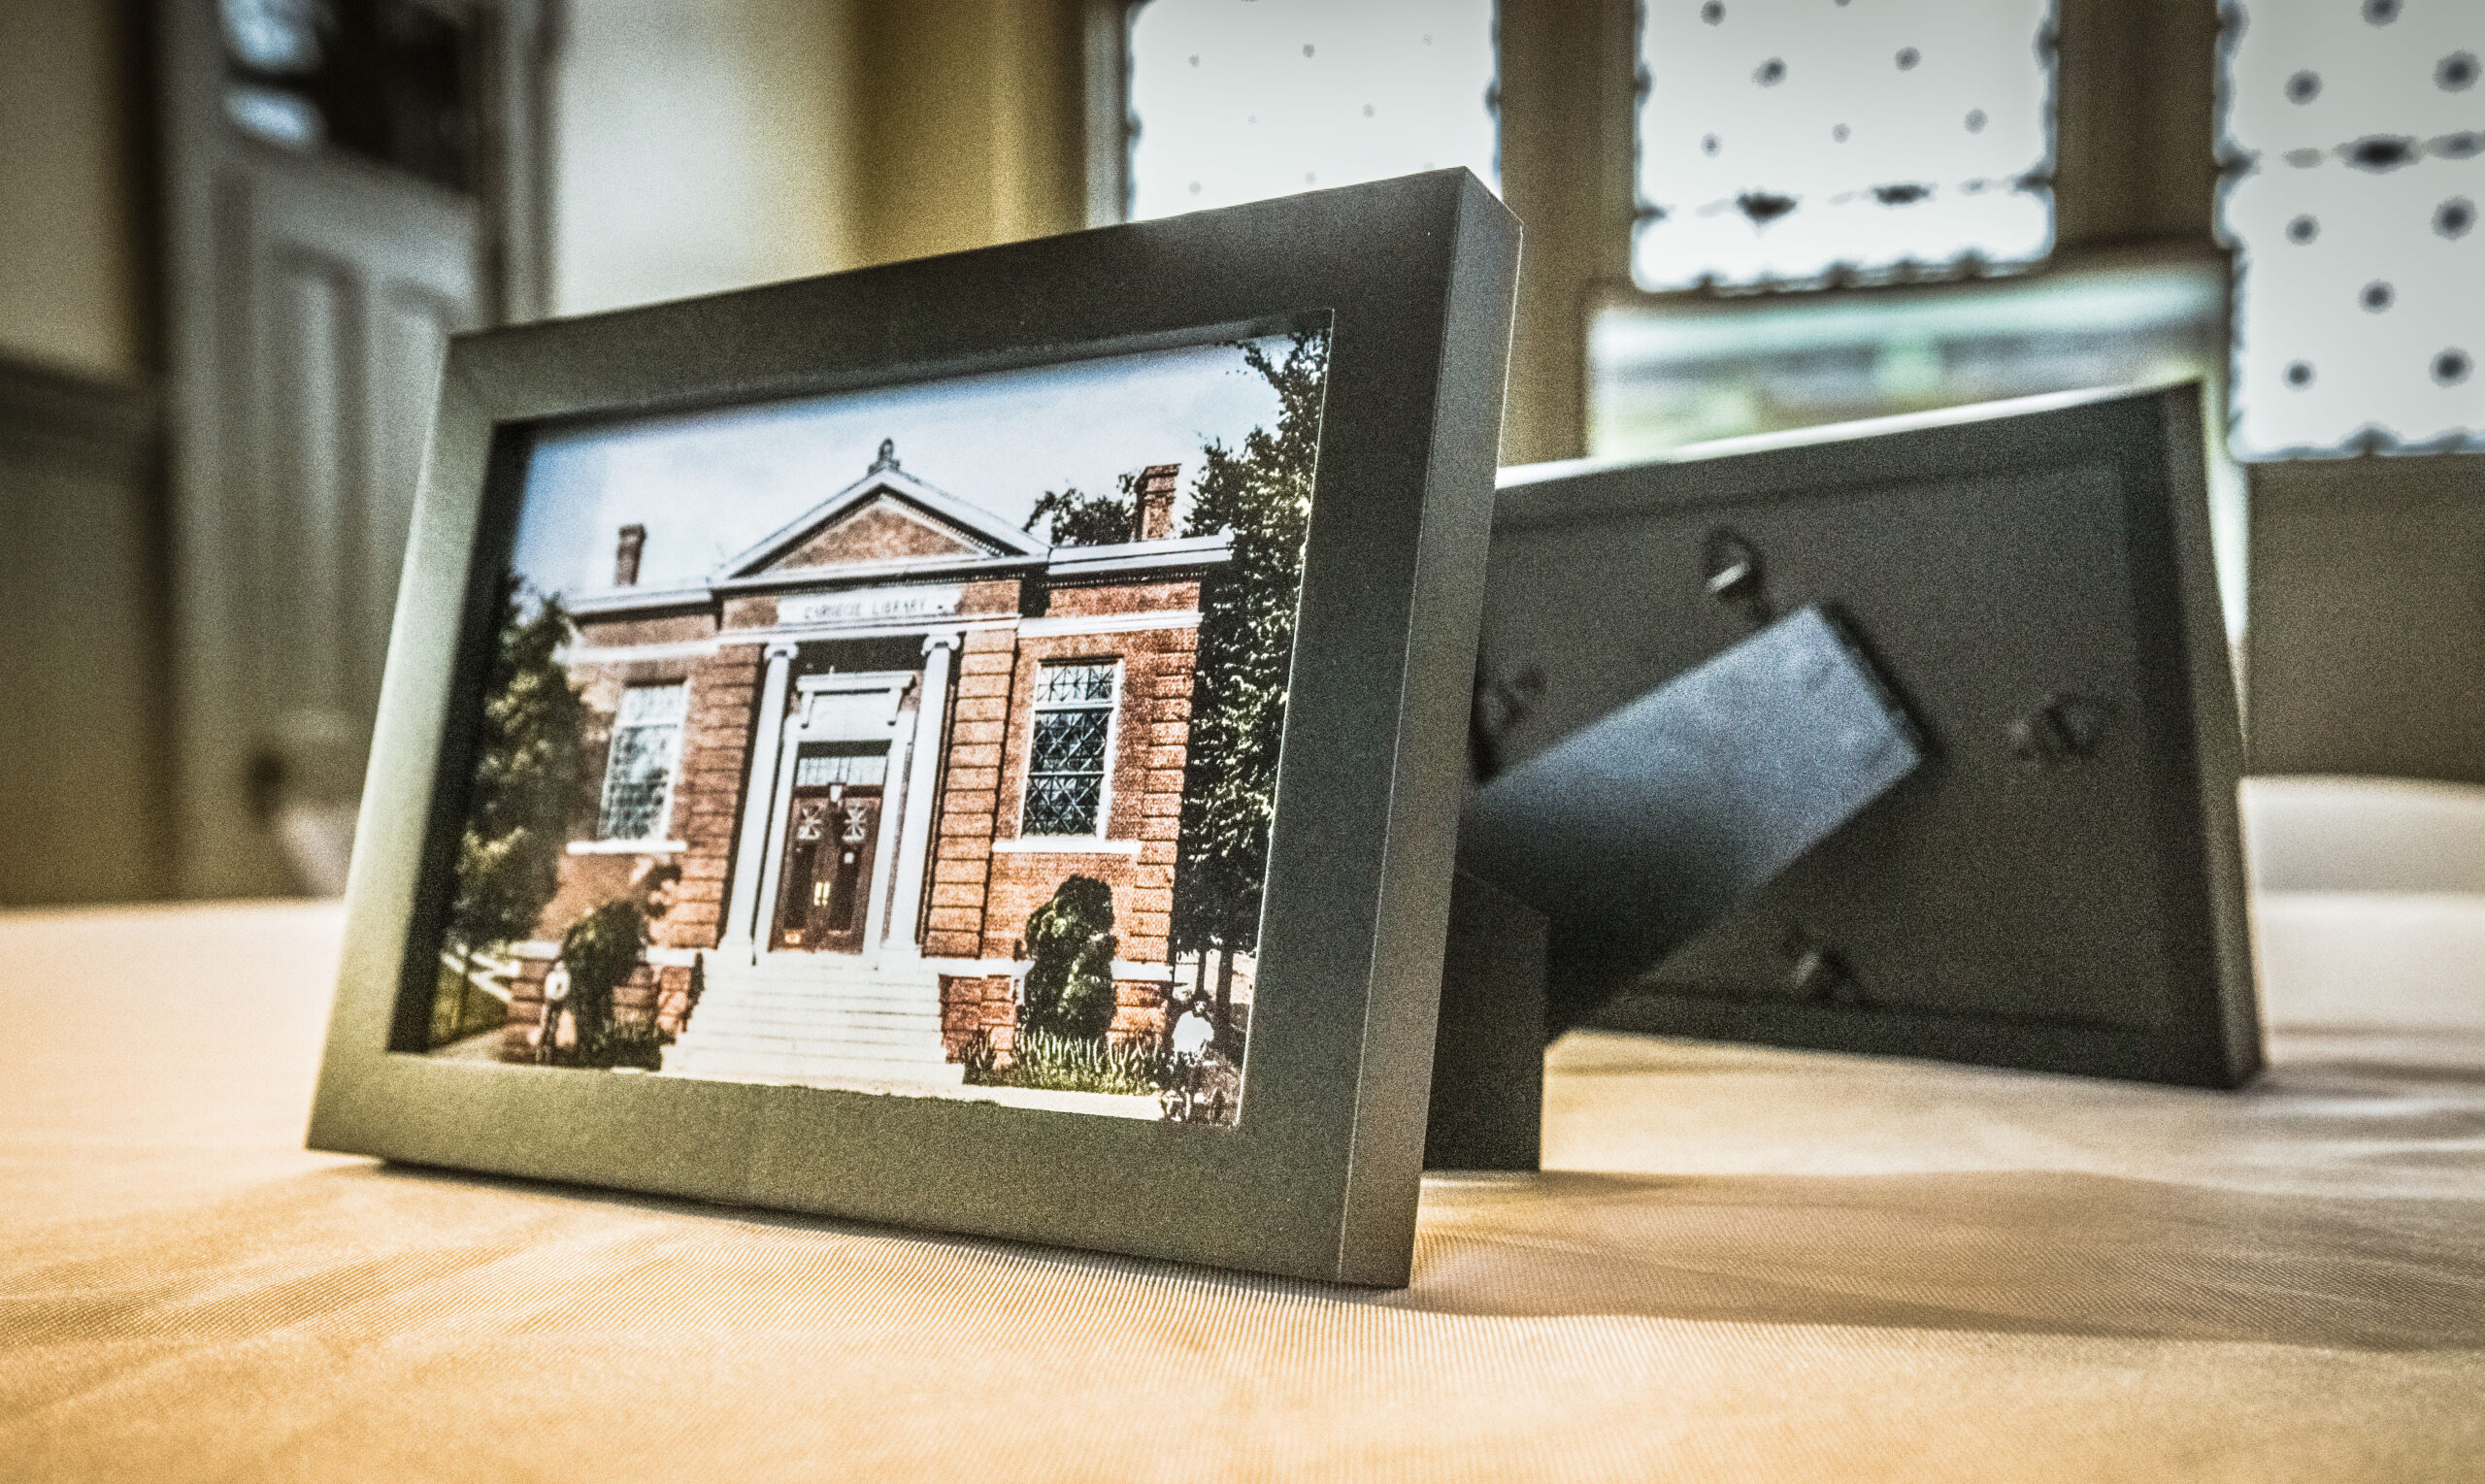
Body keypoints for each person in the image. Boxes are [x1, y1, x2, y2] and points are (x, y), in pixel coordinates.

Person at [535, 960, 572, 1066]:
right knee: (546, 1026)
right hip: (550, 1001)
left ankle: (550, 1055)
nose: (560, 967)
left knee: (554, 1027)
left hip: (558, 1002)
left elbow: (565, 990)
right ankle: (540, 1053)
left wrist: (557, 997)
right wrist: (551, 997)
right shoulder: (551, 976)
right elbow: (548, 989)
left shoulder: (565, 976)